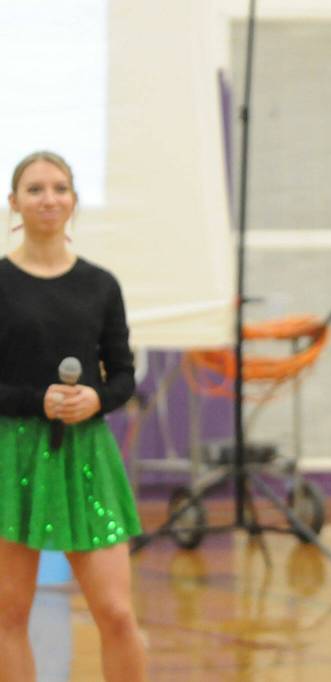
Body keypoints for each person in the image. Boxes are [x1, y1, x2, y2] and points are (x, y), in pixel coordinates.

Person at [0, 151, 145, 681]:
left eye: (60, 188)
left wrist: (96, 399)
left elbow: (125, 376)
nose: (49, 198)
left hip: (86, 453)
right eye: (35, 189)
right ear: (14, 203)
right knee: (8, 614)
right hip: (11, 453)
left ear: (75, 202)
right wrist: (34, 401)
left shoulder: (100, 285)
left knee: (117, 613)